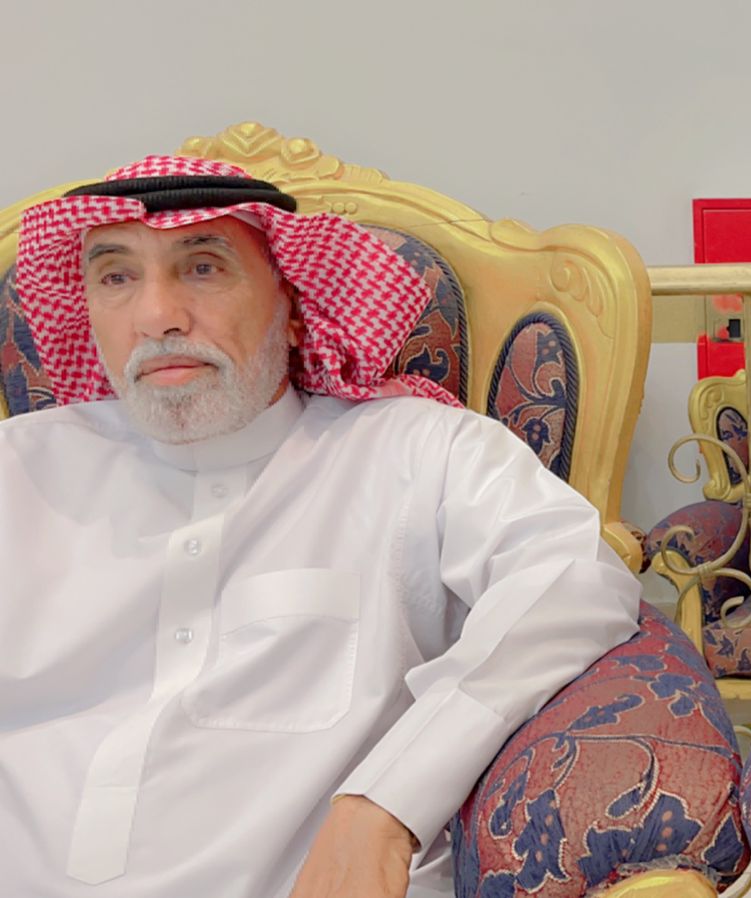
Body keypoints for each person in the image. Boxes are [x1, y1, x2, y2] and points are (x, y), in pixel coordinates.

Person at [0, 156, 642, 897]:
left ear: (295, 301)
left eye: (203, 268)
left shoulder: (415, 452)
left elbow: (574, 580)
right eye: (116, 277)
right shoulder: (20, 470)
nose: (157, 316)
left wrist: (388, 802)